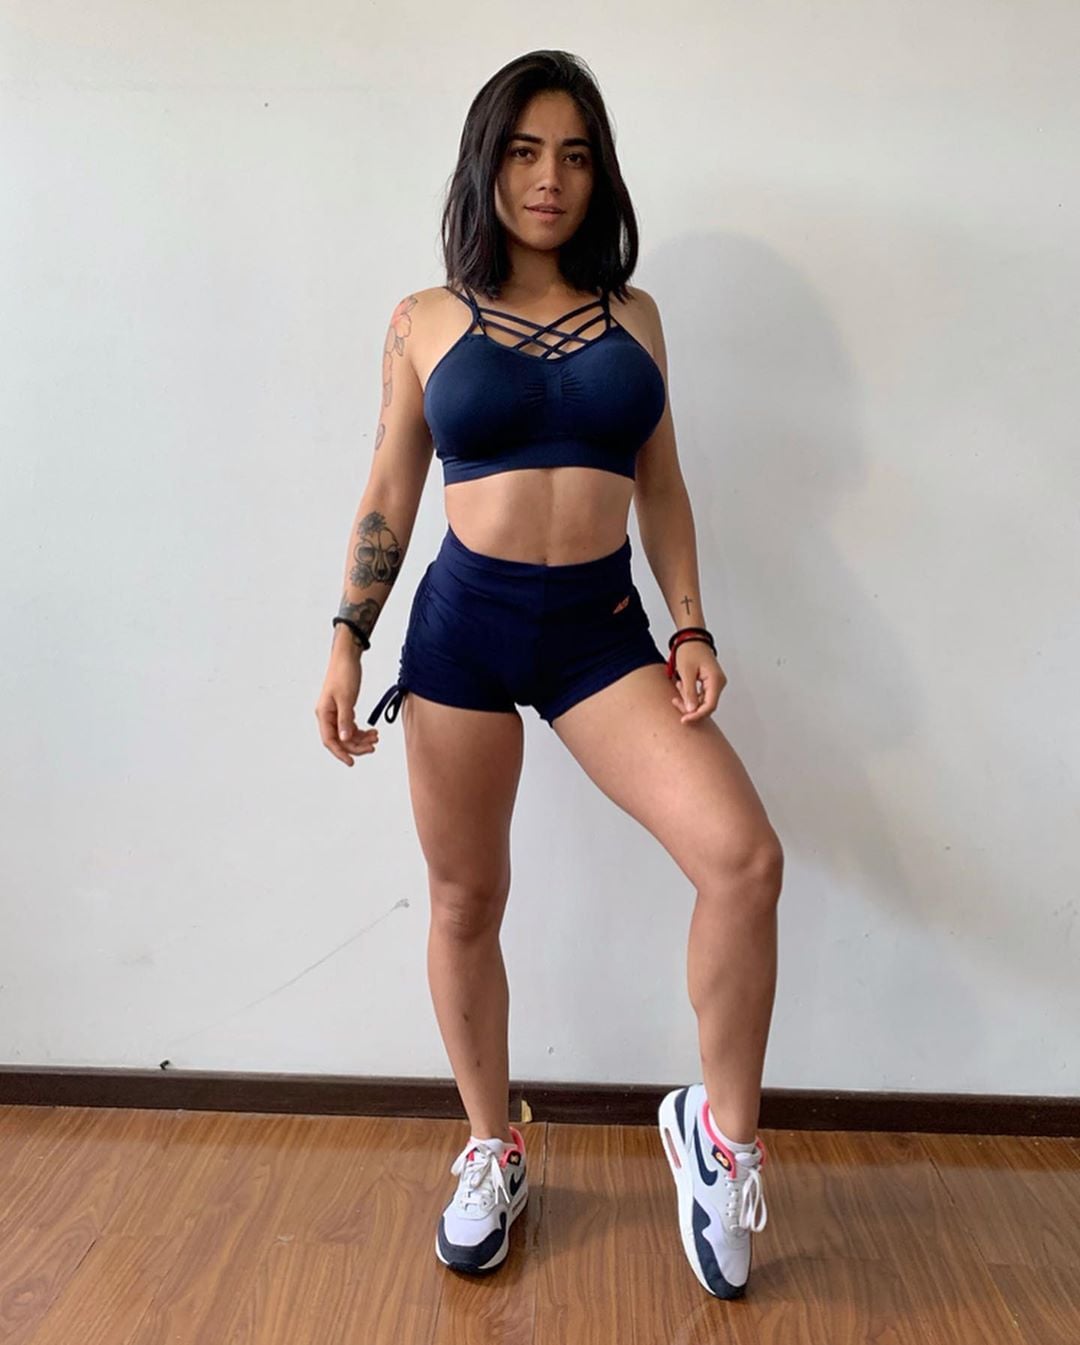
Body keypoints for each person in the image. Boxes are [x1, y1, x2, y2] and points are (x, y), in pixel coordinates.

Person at [314, 50, 783, 1299]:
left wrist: (691, 627)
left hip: (598, 632)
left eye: (575, 155)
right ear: (487, 162)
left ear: (599, 174)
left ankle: (719, 1138)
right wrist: (349, 631)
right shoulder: (423, 318)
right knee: (466, 899)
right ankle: (492, 1146)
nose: (549, 177)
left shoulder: (637, 316)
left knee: (743, 859)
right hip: (464, 631)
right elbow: (390, 488)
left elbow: (663, 486)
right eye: (524, 151)